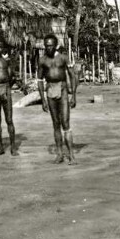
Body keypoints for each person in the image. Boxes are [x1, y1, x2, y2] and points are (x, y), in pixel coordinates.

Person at [38, 34, 78, 165]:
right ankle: (60, 154)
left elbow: (73, 76)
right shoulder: (42, 60)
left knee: (65, 123)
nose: (48, 48)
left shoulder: (63, 58)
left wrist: (74, 95)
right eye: (46, 46)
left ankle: (71, 155)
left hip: (63, 89)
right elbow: (39, 80)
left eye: (50, 45)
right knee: (56, 123)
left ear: (55, 46)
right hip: (50, 91)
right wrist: (43, 100)